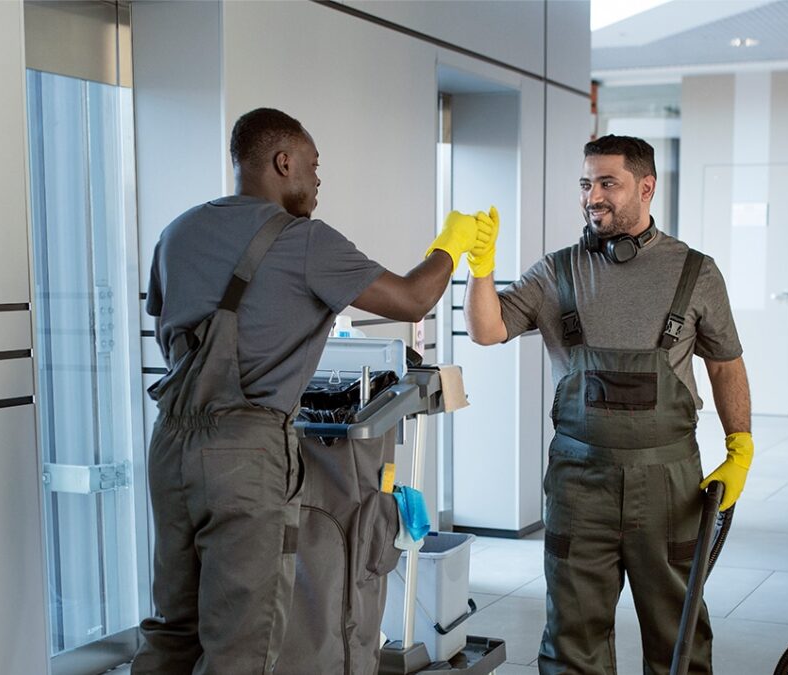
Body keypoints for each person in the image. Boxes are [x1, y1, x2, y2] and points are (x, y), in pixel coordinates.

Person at [133, 107, 495, 674]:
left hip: (171, 445)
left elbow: (172, 333)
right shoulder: (304, 241)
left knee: (172, 629)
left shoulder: (177, 232)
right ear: (283, 162)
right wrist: (450, 247)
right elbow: (410, 299)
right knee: (241, 643)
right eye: (314, 166)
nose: (319, 180)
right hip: (245, 455)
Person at [464, 135, 754, 674]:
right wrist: (481, 267)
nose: (592, 196)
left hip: (669, 485)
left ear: (646, 188)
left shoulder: (696, 272)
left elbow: (725, 363)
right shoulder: (557, 271)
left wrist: (741, 445)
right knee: (572, 637)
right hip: (580, 483)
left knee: (679, 634)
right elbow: (485, 329)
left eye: (607, 183)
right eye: (585, 183)